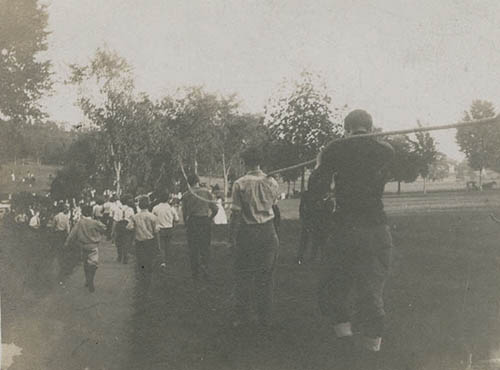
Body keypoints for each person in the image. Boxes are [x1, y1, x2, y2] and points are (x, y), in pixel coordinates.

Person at [313, 109, 394, 368]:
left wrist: (320, 162)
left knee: (336, 285)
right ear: (369, 127)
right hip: (375, 228)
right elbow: (380, 153)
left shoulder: (335, 149)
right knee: (372, 289)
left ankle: (345, 342)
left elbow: (317, 188)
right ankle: (373, 351)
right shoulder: (386, 150)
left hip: (345, 229)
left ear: (347, 128)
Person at [230, 147, 280, 327]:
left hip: (248, 232)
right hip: (268, 231)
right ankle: (264, 317)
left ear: (244, 162)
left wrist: (232, 237)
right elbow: (273, 206)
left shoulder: (240, 183)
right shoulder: (272, 182)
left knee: (243, 275)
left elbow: (235, 214)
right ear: (260, 162)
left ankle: (242, 317)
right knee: (266, 276)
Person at [182, 175, 218, 280]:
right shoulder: (206, 192)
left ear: (189, 182)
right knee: (205, 247)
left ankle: (195, 273)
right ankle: (205, 269)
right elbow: (215, 209)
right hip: (204, 221)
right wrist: (210, 218)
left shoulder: (187, 194)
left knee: (193, 247)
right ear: (198, 181)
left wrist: (186, 223)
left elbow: (184, 212)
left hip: (193, 222)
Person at [64, 205, 106, 292]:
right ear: (91, 212)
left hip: (83, 246)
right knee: (93, 264)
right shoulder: (95, 222)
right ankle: (91, 280)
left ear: (82, 212)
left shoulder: (80, 222)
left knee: (85, 263)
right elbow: (104, 228)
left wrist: (67, 242)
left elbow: (73, 233)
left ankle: (87, 280)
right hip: (93, 246)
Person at [296, 180, 335, 265]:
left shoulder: (320, 196)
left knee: (318, 240)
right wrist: (303, 217)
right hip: (309, 219)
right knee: (306, 239)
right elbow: (302, 207)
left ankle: (316, 258)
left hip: (317, 221)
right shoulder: (308, 195)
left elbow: (325, 211)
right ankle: (301, 257)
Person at [127, 196, 158, 292]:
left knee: (140, 260)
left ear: (139, 205)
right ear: (148, 204)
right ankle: (148, 280)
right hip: (150, 241)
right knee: (149, 260)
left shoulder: (135, 217)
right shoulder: (153, 217)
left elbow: (129, 227)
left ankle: (142, 279)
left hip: (139, 241)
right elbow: (156, 230)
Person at [152, 191, 179, 270]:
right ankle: (167, 260)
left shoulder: (156, 208)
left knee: (161, 246)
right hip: (169, 228)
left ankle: (163, 261)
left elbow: (152, 218)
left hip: (160, 229)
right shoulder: (171, 208)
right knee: (168, 245)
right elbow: (177, 219)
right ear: (168, 199)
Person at [114, 195, 135, 264]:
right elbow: (132, 219)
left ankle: (119, 256)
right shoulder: (130, 209)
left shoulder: (117, 209)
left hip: (119, 225)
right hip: (127, 225)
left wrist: (113, 230)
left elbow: (115, 221)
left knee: (118, 241)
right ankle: (125, 257)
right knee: (126, 241)